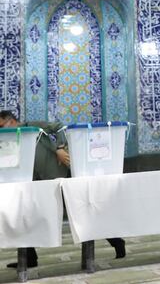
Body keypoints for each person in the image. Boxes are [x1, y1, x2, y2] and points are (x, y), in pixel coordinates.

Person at [0, 111, 126, 268]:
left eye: (1, 125)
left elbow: (59, 127)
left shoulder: (34, 126)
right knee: (24, 216)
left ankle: (116, 241)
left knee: (83, 213)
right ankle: (29, 258)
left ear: (11, 121)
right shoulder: (7, 139)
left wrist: (59, 148)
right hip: (33, 183)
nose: (1, 130)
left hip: (58, 177)